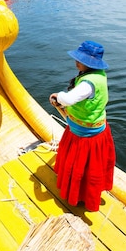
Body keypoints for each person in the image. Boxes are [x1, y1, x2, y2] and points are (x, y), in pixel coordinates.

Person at [49, 40, 116, 212]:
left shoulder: (87, 83)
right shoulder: (99, 75)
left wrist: (58, 96)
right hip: (98, 126)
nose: (76, 62)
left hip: (84, 135)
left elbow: (69, 99)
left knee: (79, 167)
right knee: (92, 168)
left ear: (89, 64)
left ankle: (77, 195)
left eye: (81, 60)